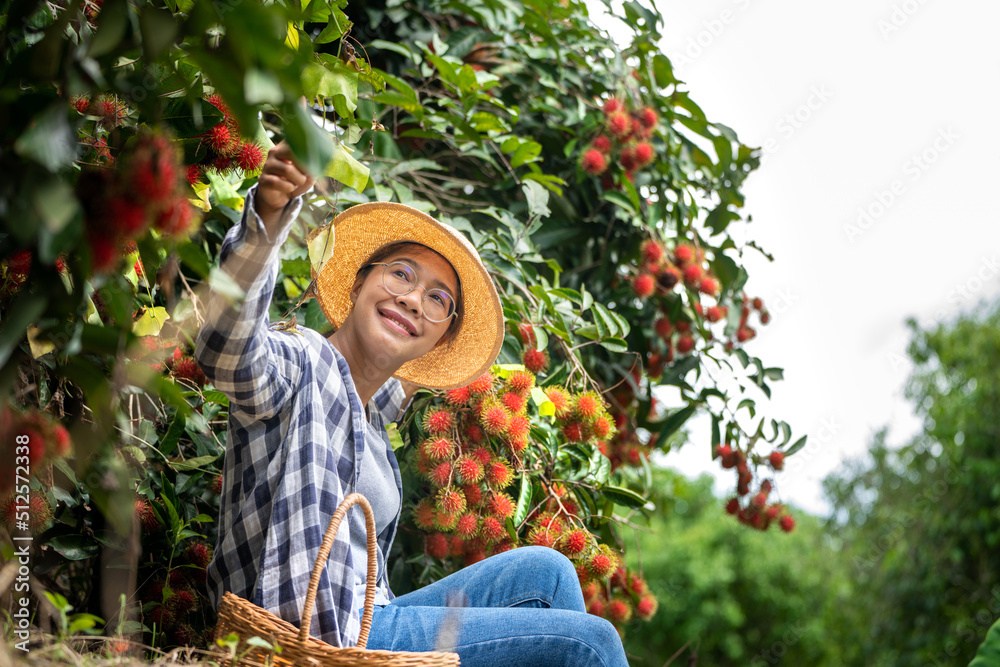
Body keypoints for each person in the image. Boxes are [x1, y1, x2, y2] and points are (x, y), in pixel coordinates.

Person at [194, 142, 629, 666]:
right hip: (319, 633)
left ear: (438, 340)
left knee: (547, 572)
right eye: (400, 273)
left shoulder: (375, 424)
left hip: (375, 617)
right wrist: (268, 217)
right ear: (358, 284)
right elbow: (228, 349)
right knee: (593, 642)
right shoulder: (300, 363)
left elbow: (391, 392)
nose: (412, 298)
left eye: (438, 299)